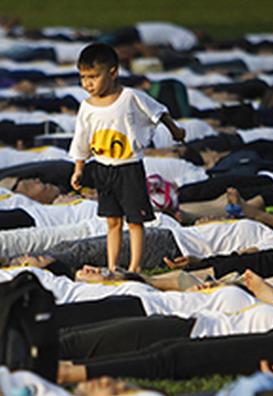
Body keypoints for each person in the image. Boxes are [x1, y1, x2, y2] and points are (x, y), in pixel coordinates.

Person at [70, 43, 186, 275]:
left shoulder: (130, 97)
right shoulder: (86, 107)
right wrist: (79, 168)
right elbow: (81, 138)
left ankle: (135, 265)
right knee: (112, 220)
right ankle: (112, 265)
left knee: (135, 220)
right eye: (83, 77)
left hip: (128, 168)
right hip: (104, 169)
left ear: (113, 72)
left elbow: (158, 111)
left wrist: (175, 131)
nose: (88, 83)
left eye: (93, 76)